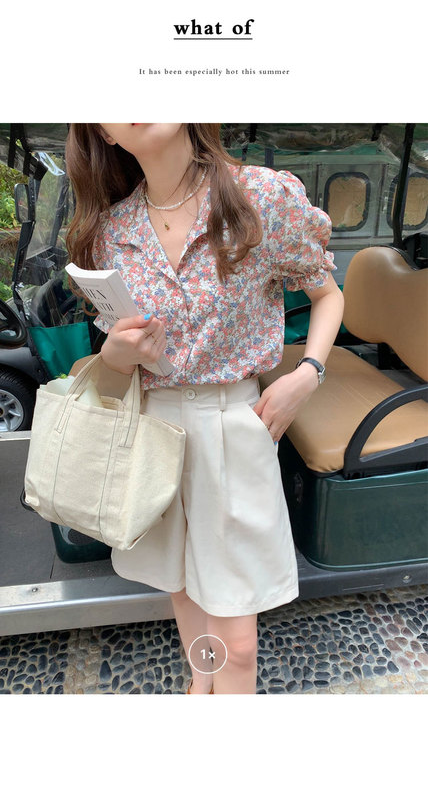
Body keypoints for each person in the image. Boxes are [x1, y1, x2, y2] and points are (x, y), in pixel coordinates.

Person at [65, 123, 344, 695]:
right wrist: (116, 355)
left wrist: (307, 373)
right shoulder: (111, 232)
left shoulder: (259, 196)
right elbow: (119, 360)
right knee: (186, 590)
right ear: (105, 135)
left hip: (233, 426)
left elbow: (327, 294)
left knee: (239, 642)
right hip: (154, 429)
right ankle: (201, 687)